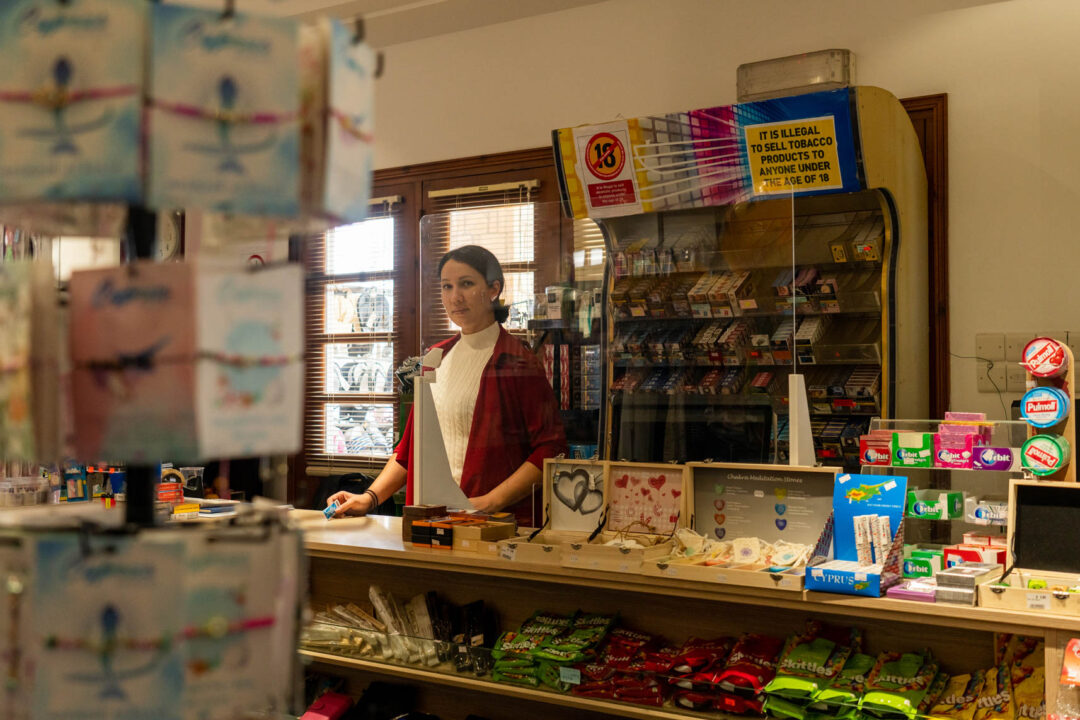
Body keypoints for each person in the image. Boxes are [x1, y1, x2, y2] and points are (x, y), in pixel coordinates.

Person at [326, 245, 567, 527]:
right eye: (446, 286)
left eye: (466, 284)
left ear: (493, 289)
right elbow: (409, 450)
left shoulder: (516, 361)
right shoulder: (435, 358)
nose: (455, 297)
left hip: (487, 526)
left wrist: (489, 502)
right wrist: (369, 498)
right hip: (427, 519)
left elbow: (550, 449)